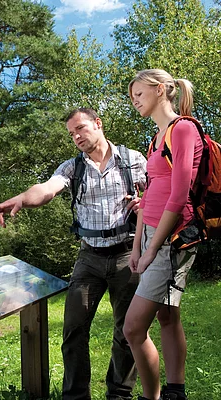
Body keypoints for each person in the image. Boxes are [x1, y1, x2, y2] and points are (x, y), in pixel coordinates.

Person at [0, 108, 147, 400]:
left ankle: (120, 394)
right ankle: (75, 397)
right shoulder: (73, 167)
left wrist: (143, 203)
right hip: (89, 258)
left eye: (81, 128)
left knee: (127, 332)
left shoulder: (133, 159)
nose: (76, 137)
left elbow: (156, 196)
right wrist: (23, 199)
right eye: (72, 133)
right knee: (74, 331)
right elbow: (47, 189)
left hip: (128, 255)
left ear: (98, 124)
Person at [124, 69, 203, 400]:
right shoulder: (157, 138)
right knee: (167, 316)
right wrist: (136, 246)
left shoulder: (183, 129)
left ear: (159, 90)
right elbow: (151, 194)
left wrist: (153, 249)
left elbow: (180, 194)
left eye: (139, 93)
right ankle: (175, 392)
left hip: (172, 238)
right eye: (131, 97)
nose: (135, 101)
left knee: (132, 328)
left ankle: (151, 396)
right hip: (151, 235)